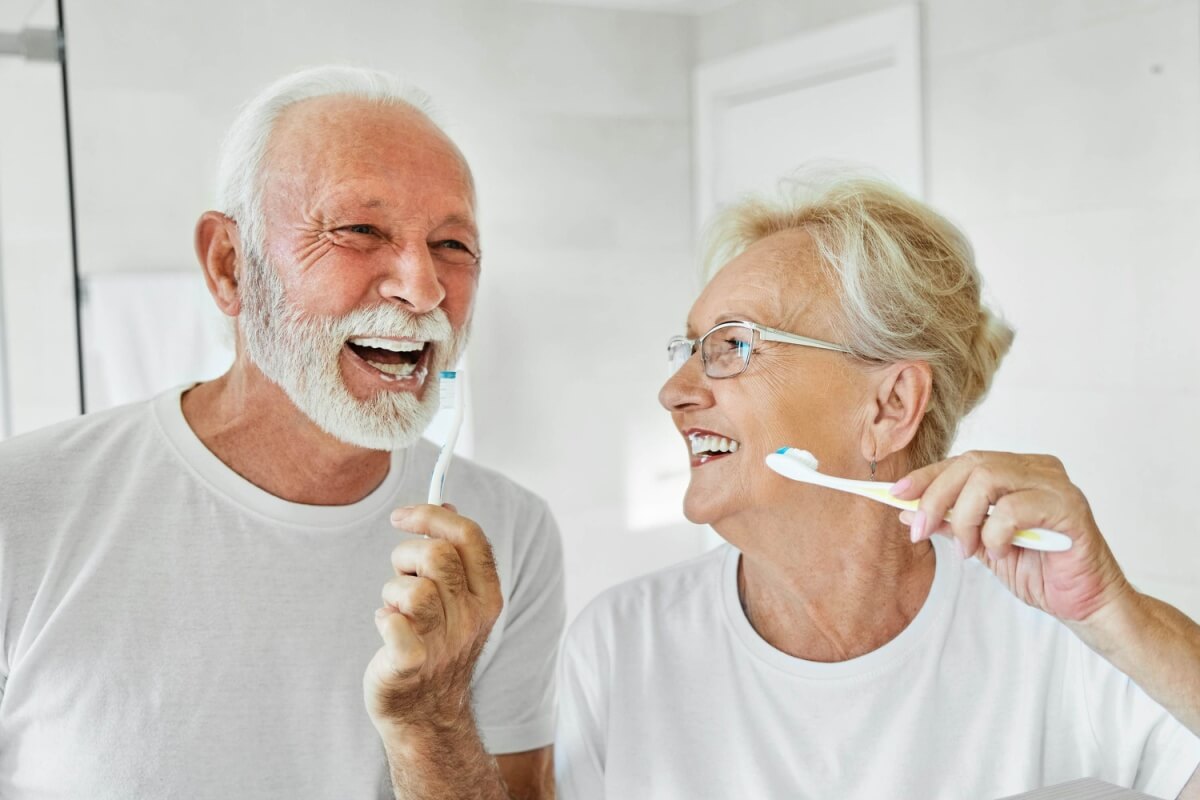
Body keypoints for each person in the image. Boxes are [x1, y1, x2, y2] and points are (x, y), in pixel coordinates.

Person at [0, 66, 563, 799]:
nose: (424, 290)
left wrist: (432, 720)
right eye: (360, 230)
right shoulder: (23, 505)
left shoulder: (507, 536)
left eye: (453, 245)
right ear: (230, 266)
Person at [554, 170, 1200, 798]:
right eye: (689, 349)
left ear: (890, 407)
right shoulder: (622, 643)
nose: (676, 392)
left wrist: (1111, 615)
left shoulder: (1061, 637)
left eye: (733, 345)